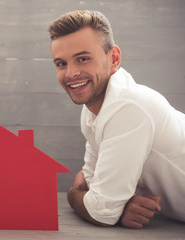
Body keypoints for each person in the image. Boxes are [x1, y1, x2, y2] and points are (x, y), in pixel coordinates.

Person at [48, 10, 185, 229]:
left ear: (113, 58)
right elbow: (92, 182)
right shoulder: (93, 111)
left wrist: (73, 195)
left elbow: (100, 210)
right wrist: (119, 205)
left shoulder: (127, 106)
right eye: (61, 64)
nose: (71, 73)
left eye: (83, 59)